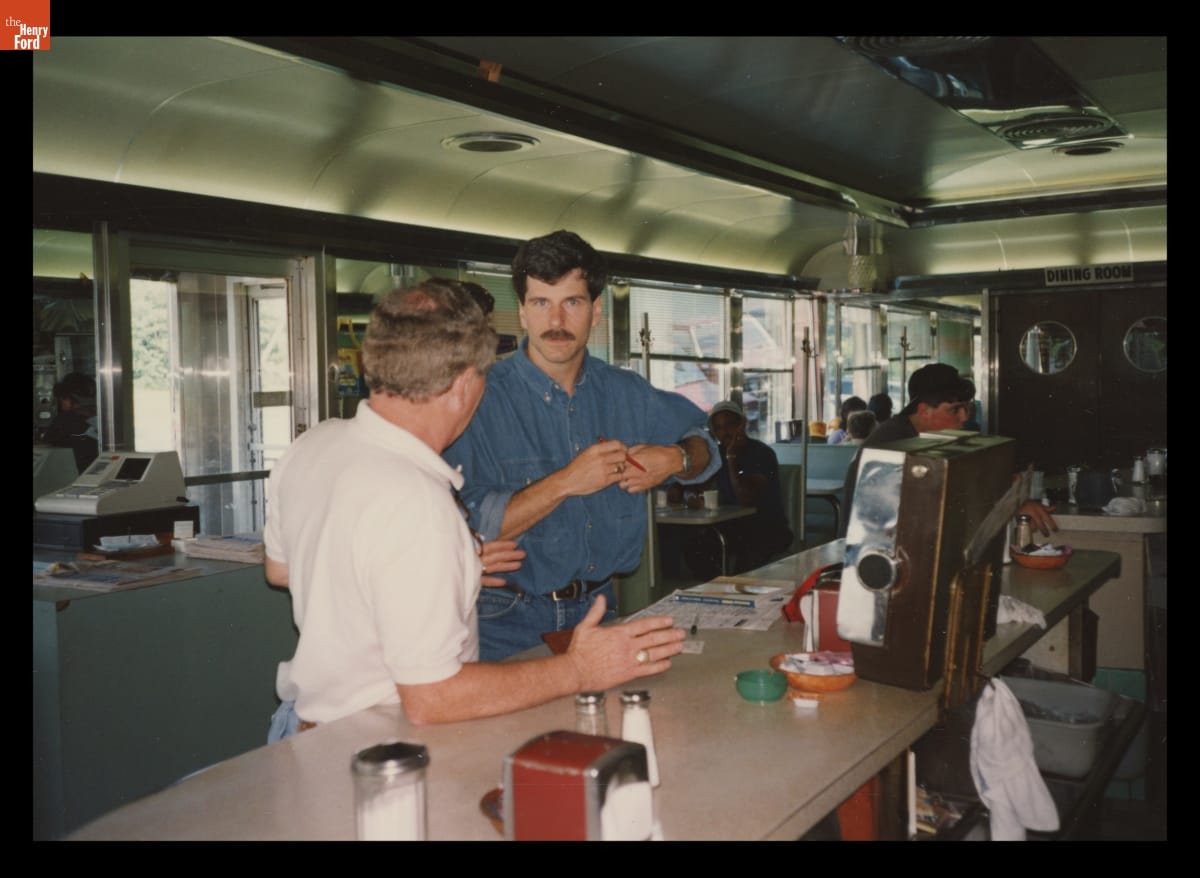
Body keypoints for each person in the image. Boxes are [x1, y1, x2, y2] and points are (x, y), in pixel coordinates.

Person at [263, 279, 685, 738]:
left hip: (303, 729)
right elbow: (433, 698)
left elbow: (281, 570)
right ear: (465, 384)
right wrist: (581, 668)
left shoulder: (313, 446)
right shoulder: (418, 501)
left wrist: (447, 565)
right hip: (377, 745)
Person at [443, 230, 720, 661]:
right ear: (522, 313)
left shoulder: (628, 393)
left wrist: (677, 457)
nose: (556, 321)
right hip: (503, 620)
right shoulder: (477, 399)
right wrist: (567, 482)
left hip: (600, 610)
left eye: (571, 302)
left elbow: (708, 443)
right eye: (541, 303)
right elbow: (462, 530)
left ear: (595, 312)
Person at [840, 363, 1057, 537]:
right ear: (924, 411)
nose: (964, 418)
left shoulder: (921, 438)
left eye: (966, 408)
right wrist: (1008, 504)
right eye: (954, 410)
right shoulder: (894, 443)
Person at [682, 400, 793, 581]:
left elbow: (746, 499)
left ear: (741, 425)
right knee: (694, 548)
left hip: (767, 528)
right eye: (719, 428)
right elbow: (696, 487)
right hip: (733, 526)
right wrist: (691, 497)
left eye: (730, 425)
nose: (725, 432)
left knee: (747, 562)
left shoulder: (762, 453)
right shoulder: (716, 454)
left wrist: (731, 458)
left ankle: (733, 589)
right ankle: (718, 588)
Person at [40, 372, 99, 471]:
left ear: (71, 398)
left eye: (62, 399)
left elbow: (46, 444)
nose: (61, 403)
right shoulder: (106, 417)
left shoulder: (65, 420)